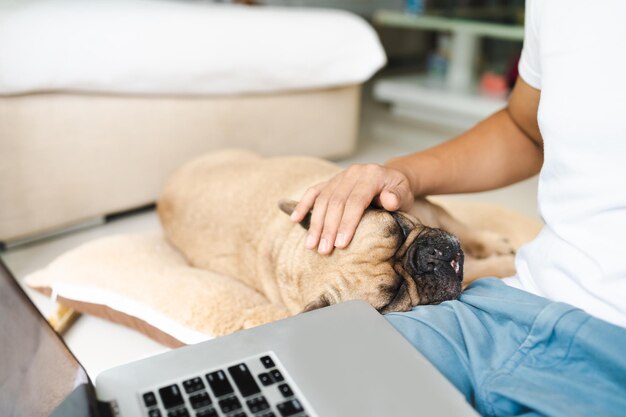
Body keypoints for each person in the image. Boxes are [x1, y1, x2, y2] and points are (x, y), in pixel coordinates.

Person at [290, 1, 626, 416]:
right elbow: (525, 128)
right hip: (511, 308)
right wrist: (401, 175)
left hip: (609, 351)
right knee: (300, 379)